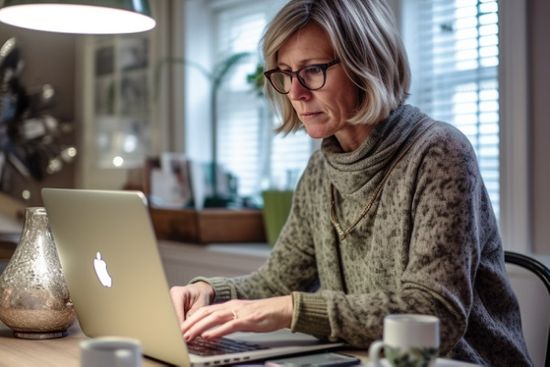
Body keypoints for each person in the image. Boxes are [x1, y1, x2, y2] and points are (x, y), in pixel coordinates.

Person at [170, 0, 532, 365]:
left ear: (366, 65)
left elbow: (434, 315)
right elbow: (277, 284)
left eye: (312, 71)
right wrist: (207, 292)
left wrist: (291, 309)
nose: (296, 93)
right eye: (285, 73)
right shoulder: (319, 172)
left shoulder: (440, 153)